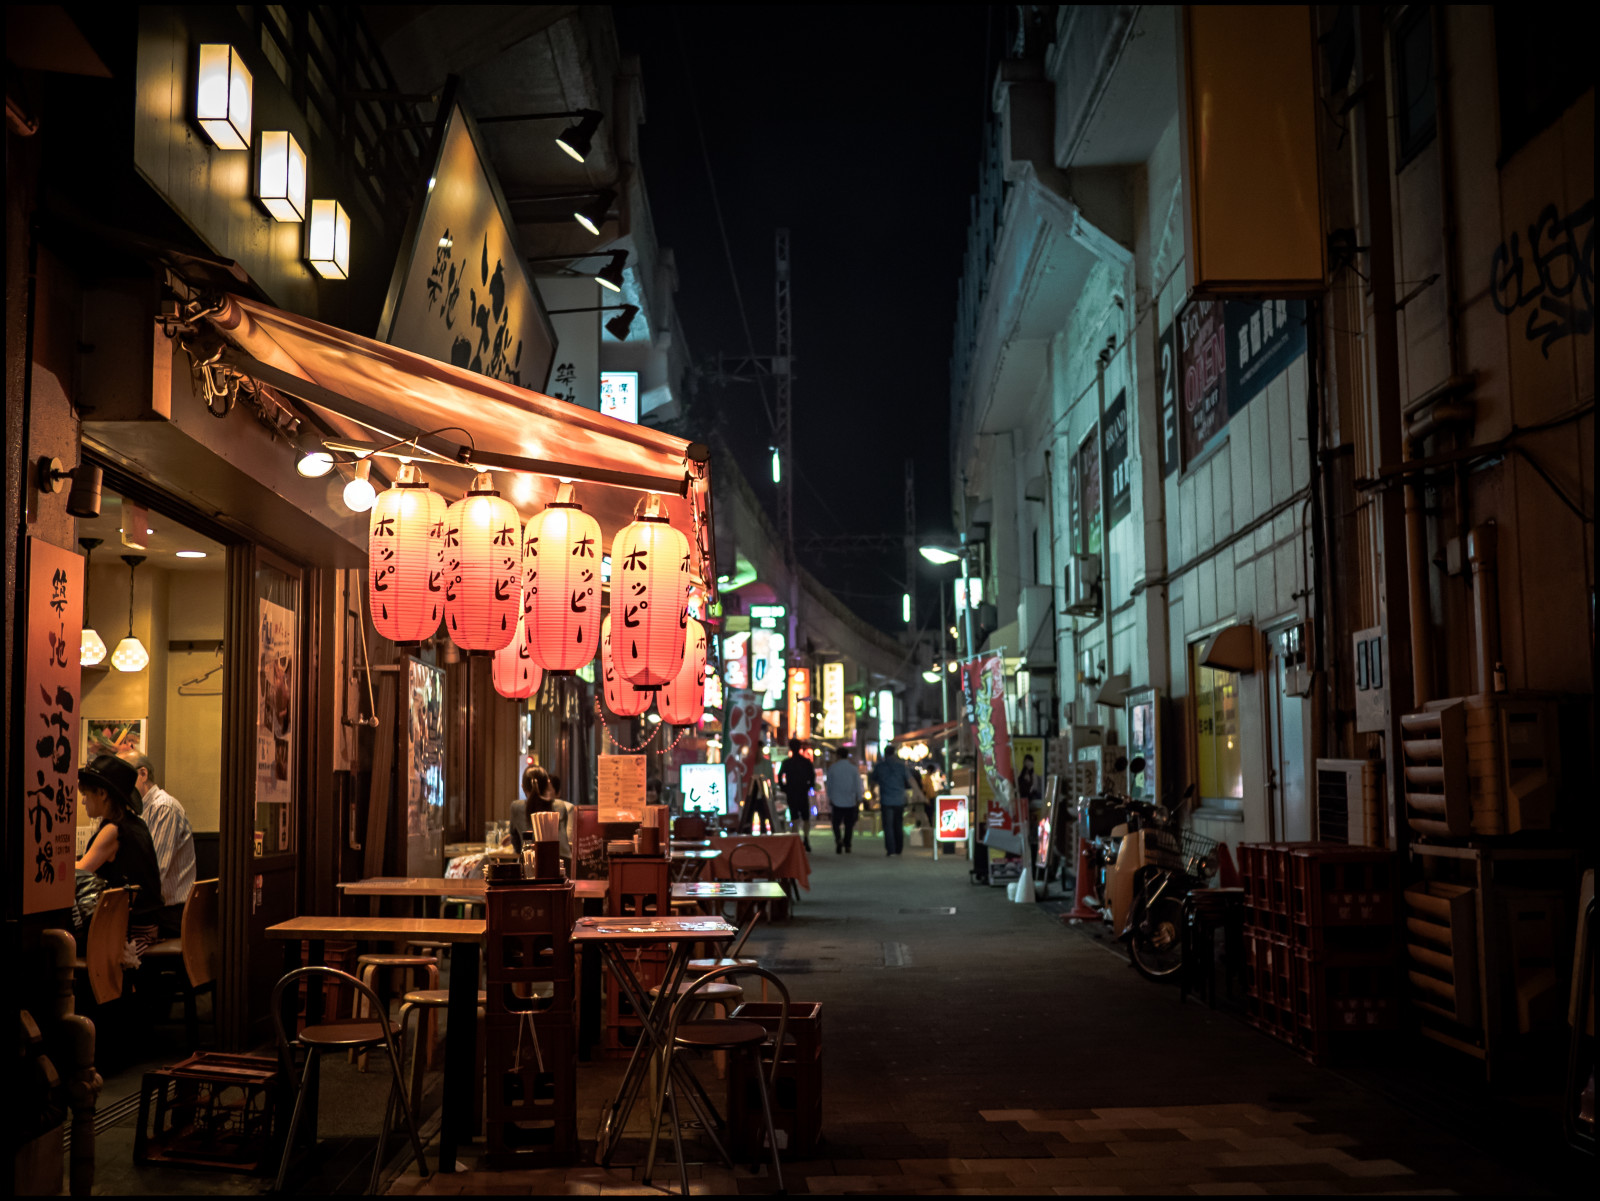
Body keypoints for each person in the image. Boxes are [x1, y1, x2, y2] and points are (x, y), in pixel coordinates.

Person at [76, 754, 164, 955]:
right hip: (149, 926)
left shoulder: (114, 832)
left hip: (131, 936)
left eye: (86, 794)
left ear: (102, 793)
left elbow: (79, 872)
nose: (83, 801)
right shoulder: (136, 825)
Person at [122, 754, 196, 938]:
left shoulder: (163, 808)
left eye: (123, 775)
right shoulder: (139, 810)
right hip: (157, 909)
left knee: (107, 934)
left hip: (170, 914)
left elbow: (155, 874)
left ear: (143, 774)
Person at [512, 765, 576, 863]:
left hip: (529, 863)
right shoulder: (560, 806)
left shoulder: (516, 807)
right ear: (548, 784)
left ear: (523, 787)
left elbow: (516, 843)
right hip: (562, 863)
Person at [870, 748, 918, 857]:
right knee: (898, 824)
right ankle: (898, 849)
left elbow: (873, 782)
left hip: (886, 800)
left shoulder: (879, 766)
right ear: (894, 753)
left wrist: (873, 795)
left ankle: (891, 850)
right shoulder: (901, 766)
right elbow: (911, 780)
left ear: (885, 754)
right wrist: (918, 793)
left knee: (888, 826)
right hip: (899, 800)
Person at [777, 739, 817, 850]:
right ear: (800, 748)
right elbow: (812, 776)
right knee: (805, 818)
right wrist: (809, 786)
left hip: (791, 792)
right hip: (803, 791)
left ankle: (796, 840)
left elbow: (780, 776)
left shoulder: (787, 762)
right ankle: (806, 838)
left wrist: (783, 787)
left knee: (794, 817)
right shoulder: (806, 762)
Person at [824, 746, 863, 853]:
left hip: (836, 800)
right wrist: (859, 798)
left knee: (836, 823)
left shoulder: (833, 768)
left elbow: (829, 785)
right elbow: (857, 785)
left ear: (838, 755)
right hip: (850, 800)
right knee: (849, 824)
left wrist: (830, 797)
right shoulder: (853, 769)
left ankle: (838, 839)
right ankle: (848, 844)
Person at [739, 743, 777, 835]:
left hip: (762, 796)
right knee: (748, 819)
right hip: (750, 795)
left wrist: (774, 792)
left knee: (764, 817)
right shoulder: (748, 764)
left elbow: (771, 778)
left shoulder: (766, 763)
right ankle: (749, 836)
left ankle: (763, 835)